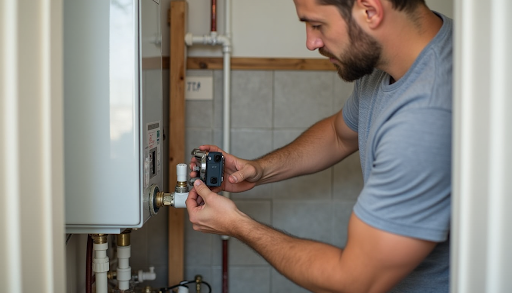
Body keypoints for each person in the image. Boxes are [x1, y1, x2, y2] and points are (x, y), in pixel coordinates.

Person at [187, 0, 452, 291]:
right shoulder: (388, 64)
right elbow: (339, 134)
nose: (311, 43)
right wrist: (260, 170)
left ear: (370, 10)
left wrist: (236, 224)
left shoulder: (427, 114)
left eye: (316, 25)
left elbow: (355, 280)